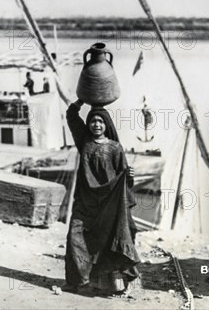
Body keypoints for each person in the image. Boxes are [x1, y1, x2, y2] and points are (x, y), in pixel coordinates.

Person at [64, 99, 140, 295]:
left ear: (107, 124)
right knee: (75, 236)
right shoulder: (85, 142)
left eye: (100, 121)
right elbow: (72, 117)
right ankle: (76, 281)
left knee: (108, 241)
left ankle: (111, 285)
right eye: (92, 121)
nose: (96, 125)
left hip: (109, 203)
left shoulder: (115, 147)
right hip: (86, 201)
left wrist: (129, 176)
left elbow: (124, 178)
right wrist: (81, 100)